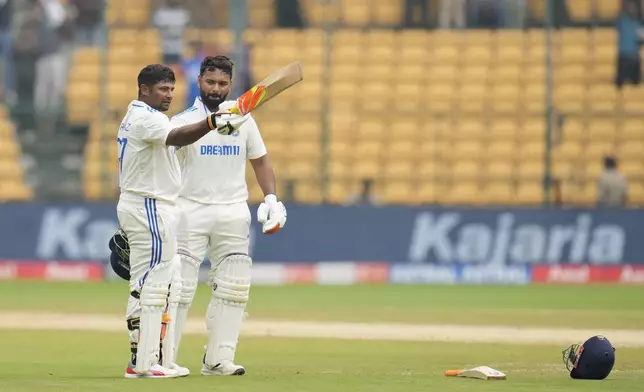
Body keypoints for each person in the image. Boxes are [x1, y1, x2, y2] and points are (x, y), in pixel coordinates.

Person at [116, 63, 249, 379]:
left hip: (153, 204)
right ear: (144, 89)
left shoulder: (143, 117)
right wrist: (213, 122)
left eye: (172, 89)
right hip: (149, 203)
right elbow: (178, 137)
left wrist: (211, 123)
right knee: (153, 286)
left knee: (159, 283)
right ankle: (147, 364)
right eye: (162, 89)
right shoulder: (145, 119)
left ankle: (146, 359)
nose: (168, 95)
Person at [167, 55, 287, 376]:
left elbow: (260, 160)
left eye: (222, 83)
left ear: (231, 85)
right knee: (178, 287)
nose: (216, 88)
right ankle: (164, 359)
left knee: (234, 286)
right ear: (199, 82)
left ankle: (218, 359)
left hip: (233, 210)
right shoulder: (183, 120)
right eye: (210, 82)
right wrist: (211, 123)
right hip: (189, 209)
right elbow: (169, 149)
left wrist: (272, 198)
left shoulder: (244, 119)